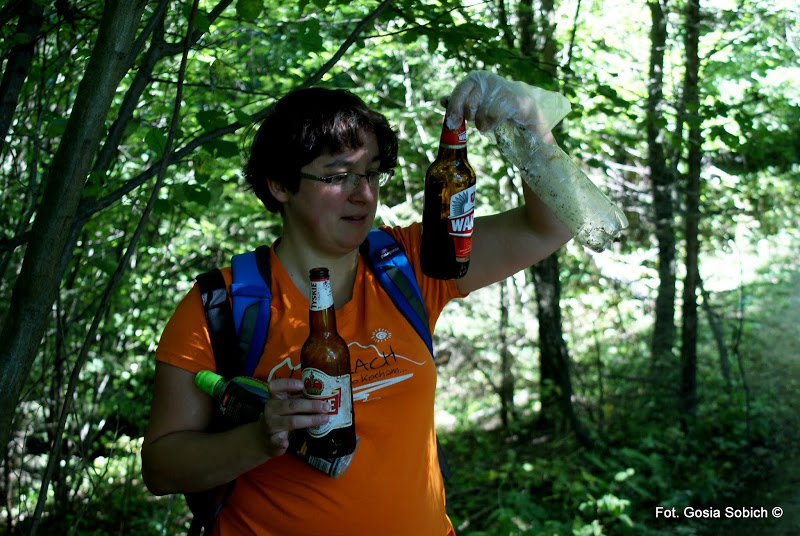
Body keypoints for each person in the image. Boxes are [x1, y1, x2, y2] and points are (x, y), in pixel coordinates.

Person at [141, 71, 574, 535]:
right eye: (338, 175)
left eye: (370, 174)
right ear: (280, 185)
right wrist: (259, 438)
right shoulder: (222, 306)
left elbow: (551, 225)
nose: (363, 194)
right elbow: (162, 467)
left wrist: (529, 125)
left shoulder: (408, 264)